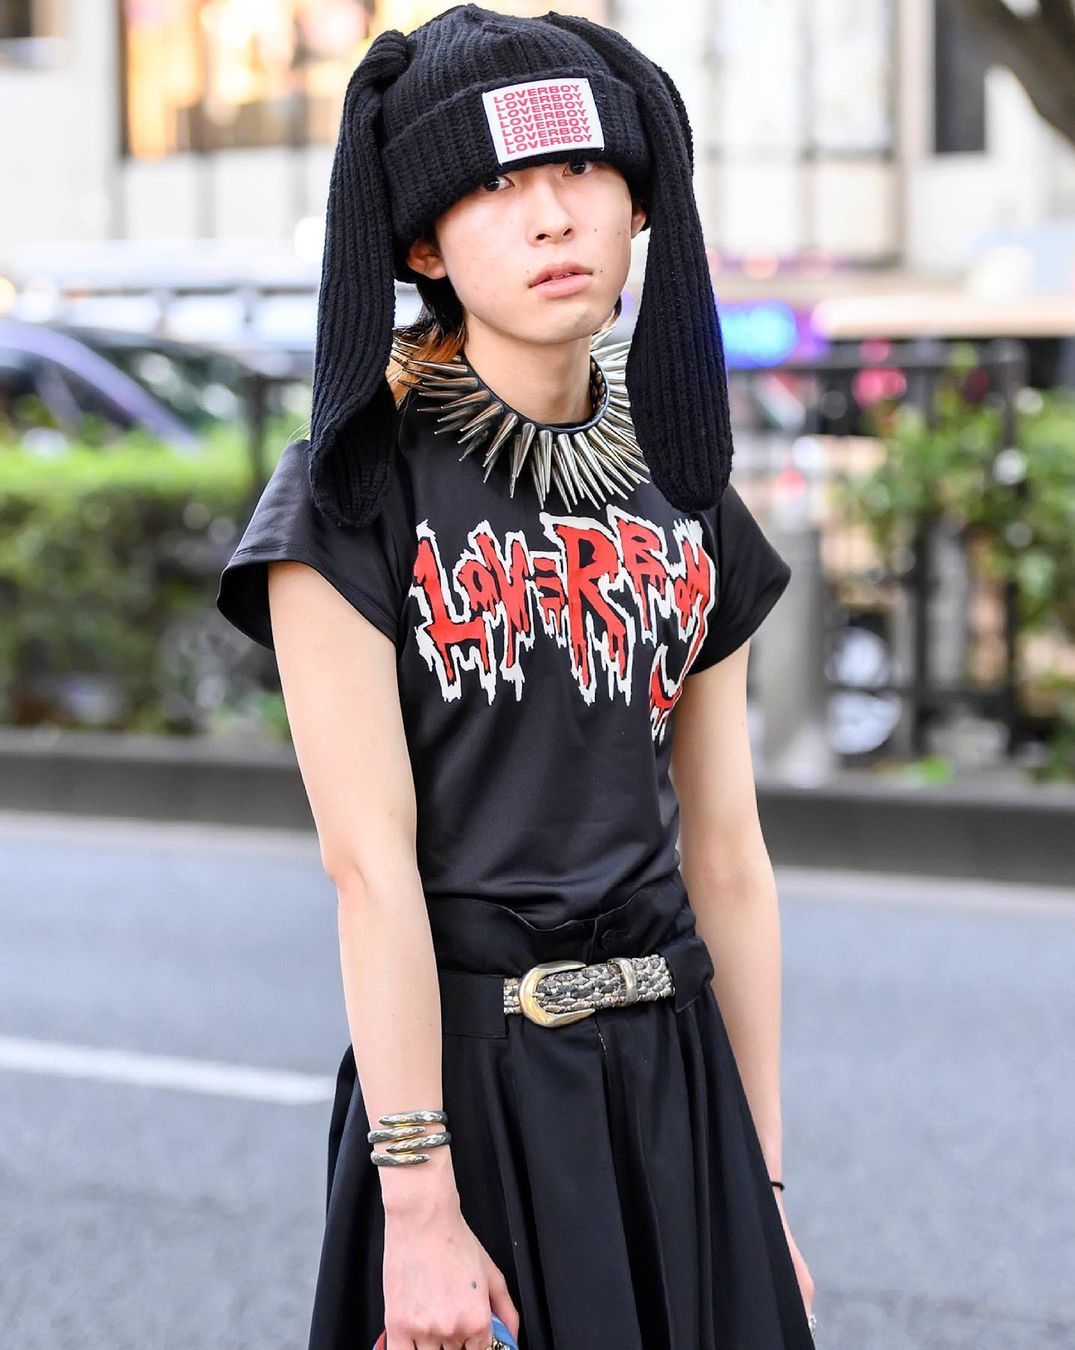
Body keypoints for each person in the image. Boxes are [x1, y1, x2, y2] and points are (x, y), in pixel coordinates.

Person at [216, 6, 817, 1349]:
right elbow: (367, 866)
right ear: (422, 242)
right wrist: (418, 1207)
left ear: (640, 200)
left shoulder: (684, 483)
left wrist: (762, 1181)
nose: (552, 218)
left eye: (582, 172)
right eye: (494, 185)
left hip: (680, 1081)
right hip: (471, 1091)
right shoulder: (351, 495)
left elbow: (727, 852)